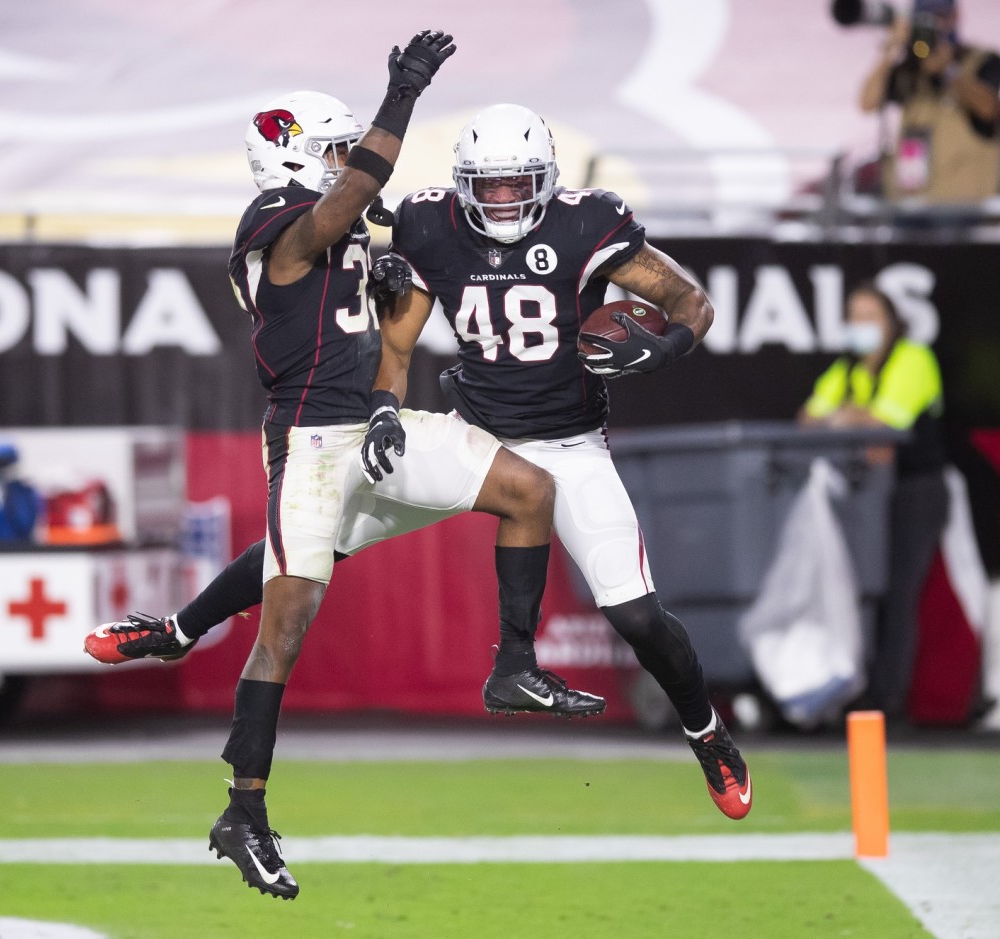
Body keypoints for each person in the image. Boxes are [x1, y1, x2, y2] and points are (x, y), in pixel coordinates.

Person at [90, 103, 753, 824]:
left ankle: (707, 734)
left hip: (568, 442)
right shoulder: (430, 223)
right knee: (309, 540)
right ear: (463, 182)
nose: (502, 199)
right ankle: (178, 631)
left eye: (516, 184)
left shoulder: (588, 220)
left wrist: (665, 347)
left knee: (637, 615)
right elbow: (397, 348)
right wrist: (381, 407)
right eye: (488, 185)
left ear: (547, 176)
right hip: (474, 434)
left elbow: (689, 299)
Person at [93, 33, 599, 904]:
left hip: (377, 423)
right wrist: (399, 98)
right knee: (287, 619)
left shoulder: (339, 231)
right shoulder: (272, 224)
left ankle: (513, 663)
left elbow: (373, 285)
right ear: (291, 155)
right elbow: (352, 197)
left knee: (528, 490)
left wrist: (395, 277)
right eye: (327, 149)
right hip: (311, 442)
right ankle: (242, 810)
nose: (340, 164)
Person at [798, 282, 947, 723]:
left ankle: (888, 702)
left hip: (914, 492)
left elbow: (885, 431)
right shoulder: (846, 370)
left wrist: (842, 418)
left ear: (892, 322)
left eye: (870, 316)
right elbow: (806, 421)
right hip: (863, 497)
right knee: (860, 593)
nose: (860, 326)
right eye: (853, 317)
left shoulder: (913, 359)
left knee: (898, 594)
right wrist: (846, 418)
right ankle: (853, 695)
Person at [858, 0, 1000, 205]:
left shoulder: (982, 61)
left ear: (955, 17)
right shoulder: (910, 70)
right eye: (925, 19)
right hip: (909, 201)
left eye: (940, 17)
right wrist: (890, 50)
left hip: (961, 205)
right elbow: (867, 102)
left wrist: (949, 72)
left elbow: (989, 109)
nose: (934, 25)